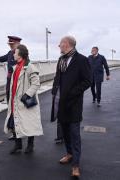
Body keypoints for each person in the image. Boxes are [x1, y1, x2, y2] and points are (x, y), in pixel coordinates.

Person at [51, 36, 91, 177]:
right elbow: (58, 77)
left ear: (67, 44)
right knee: (65, 132)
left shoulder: (81, 60)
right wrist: (54, 90)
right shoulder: (61, 60)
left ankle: (76, 165)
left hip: (73, 103)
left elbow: (88, 81)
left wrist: (73, 93)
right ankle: (69, 154)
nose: (59, 45)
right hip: (61, 103)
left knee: (74, 135)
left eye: (60, 43)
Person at [4, 44, 43, 154]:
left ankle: (30, 145)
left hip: (25, 101)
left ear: (20, 54)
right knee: (15, 121)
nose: (13, 54)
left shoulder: (30, 67)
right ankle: (18, 145)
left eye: (15, 53)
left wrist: (27, 95)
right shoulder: (15, 67)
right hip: (15, 101)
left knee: (29, 122)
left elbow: (36, 84)